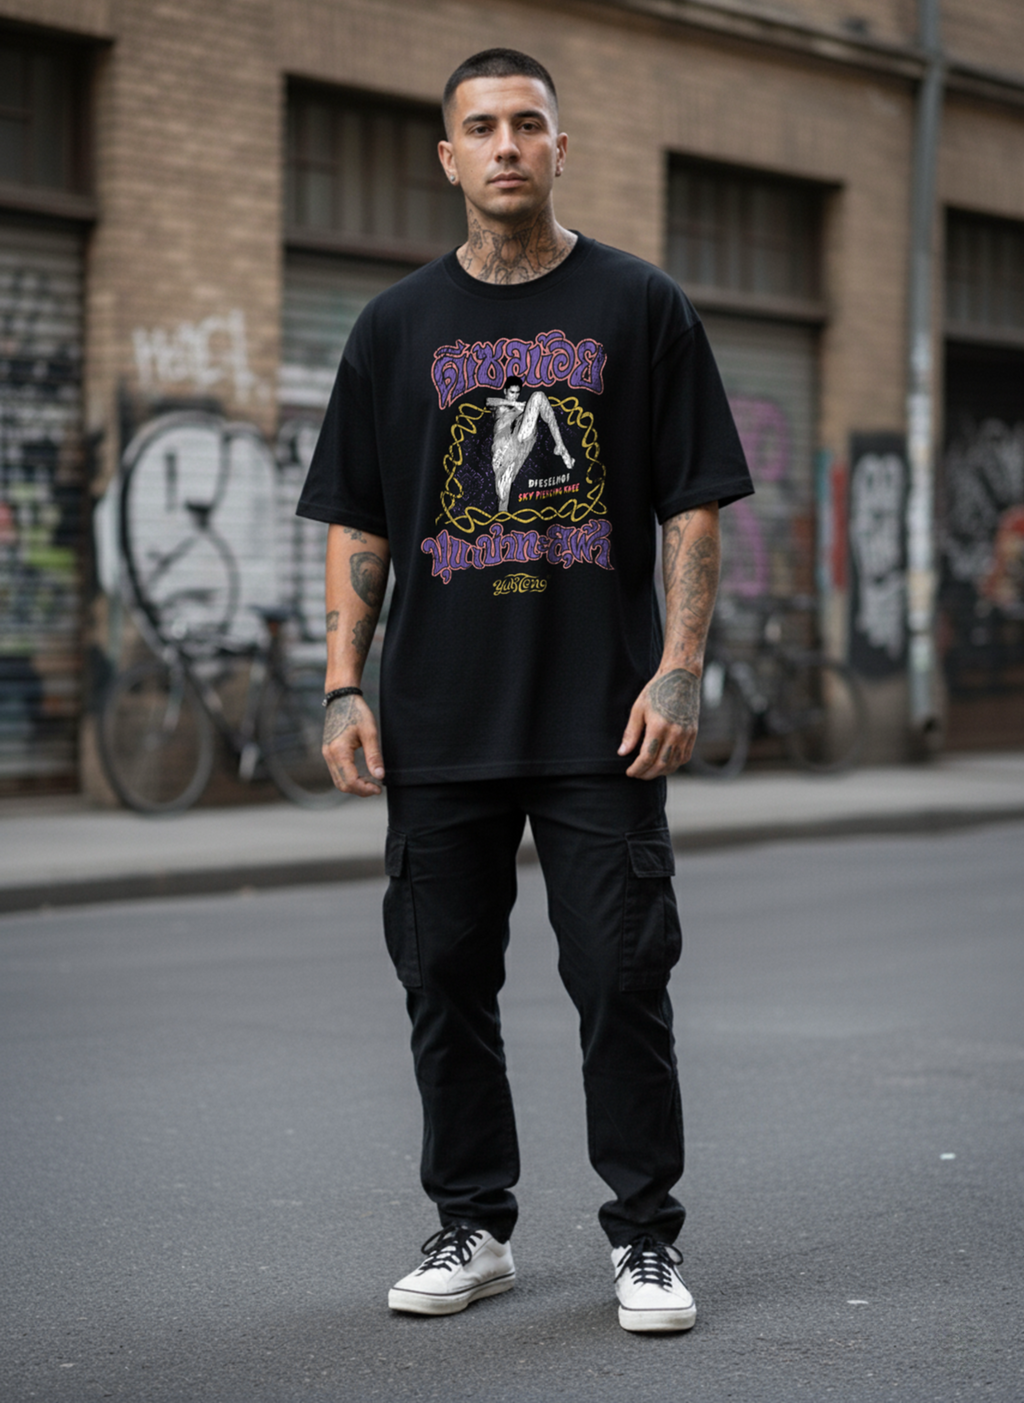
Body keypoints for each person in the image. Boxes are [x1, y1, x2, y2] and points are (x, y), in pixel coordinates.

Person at [297, 47, 753, 1334]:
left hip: (599, 715)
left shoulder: (639, 303)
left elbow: (694, 505)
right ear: (447, 157)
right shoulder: (394, 328)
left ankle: (645, 1238)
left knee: (619, 973)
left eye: (528, 125)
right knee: (443, 976)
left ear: (562, 147)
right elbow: (358, 522)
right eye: (480, 127)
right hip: (438, 720)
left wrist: (679, 666)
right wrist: (342, 684)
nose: (505, 145)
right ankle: (473, 1222)